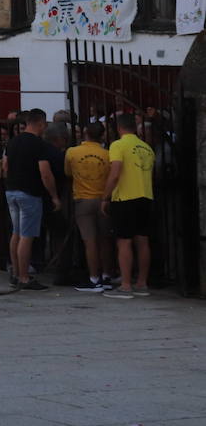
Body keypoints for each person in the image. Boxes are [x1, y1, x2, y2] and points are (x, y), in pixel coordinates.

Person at [2, 109, 61, 291]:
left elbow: (5, 166)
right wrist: (54, 196)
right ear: (41, 123)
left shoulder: (12, 142)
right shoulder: (39, 145)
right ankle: (24, 277)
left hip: (11, 190)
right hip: (30, 193)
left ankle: (15, 272)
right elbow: (45, 172)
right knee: (27, 236)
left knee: (16, 233)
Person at [102, 112, 155, 299]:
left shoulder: (118, 145)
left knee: (124, 241)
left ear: (119, 128)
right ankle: (142, 282)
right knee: (143, 240)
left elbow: (115, 173)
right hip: (146, 196)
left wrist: (105, 197)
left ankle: (125, 285)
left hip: (125, 197)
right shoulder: (147, 148)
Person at [65, 122, 114, 292]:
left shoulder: (72, 152)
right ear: (102, 136)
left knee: (90, 241)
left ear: (85, 133)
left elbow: (68, 172)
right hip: (103, 199)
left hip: (83, 199)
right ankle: (107, 275)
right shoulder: (107, 154)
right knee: (105, 239)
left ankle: (94, 278)